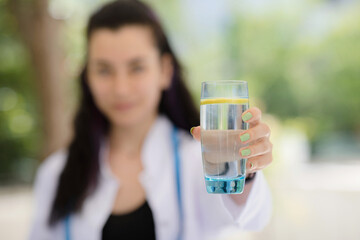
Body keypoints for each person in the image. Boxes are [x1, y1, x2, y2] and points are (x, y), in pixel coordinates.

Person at [29, 1, 273, 239]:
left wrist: (245, 171)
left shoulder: (199, 160)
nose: (121, 89)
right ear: (87, 77)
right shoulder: (56, 174)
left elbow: (251, 217)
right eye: (104, 70)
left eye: (136, 68)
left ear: (165, 71)